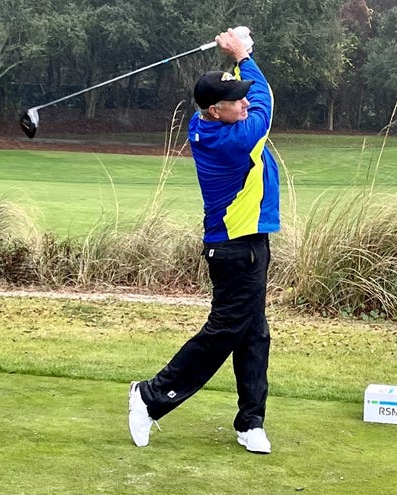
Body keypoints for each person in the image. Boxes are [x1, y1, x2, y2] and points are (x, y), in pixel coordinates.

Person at [128, 27, 280, 454]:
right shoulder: (238, 137)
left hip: (247, 243)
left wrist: (236, 63)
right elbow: (267, 103)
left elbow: (247, 95)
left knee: (254, 333)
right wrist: (244, 51)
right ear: (216, 111)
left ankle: (251, 422)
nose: (246, 103)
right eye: (237, 101)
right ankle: (151, 396)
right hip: (237, 248)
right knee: (225, 332)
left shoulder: (204, 121)